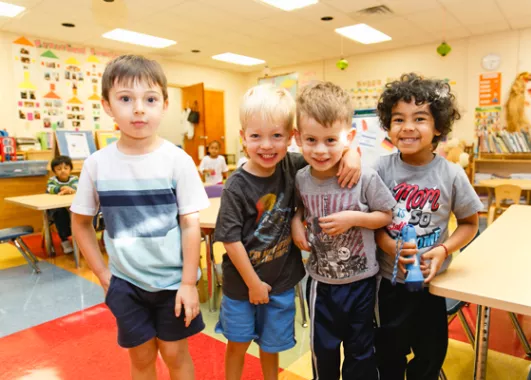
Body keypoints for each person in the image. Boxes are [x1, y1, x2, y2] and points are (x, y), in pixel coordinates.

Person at [71, 54, 209, 380]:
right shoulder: (97, 165)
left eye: (149, 99)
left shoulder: (178, 161)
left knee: (175, 354)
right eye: (125, 99)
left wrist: (188, 283)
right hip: (126, 283)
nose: (138, 109)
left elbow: (191, 224)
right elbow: (80, 222)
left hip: (174, 282)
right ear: (107, 105)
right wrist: (104, 274)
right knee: (142, 356)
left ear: (164, 104)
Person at [214, 83, 361, 380]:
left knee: (272, 346)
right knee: (238, 344)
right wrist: (253, 284)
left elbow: (329, 154)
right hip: (242, 285)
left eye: (276, 136)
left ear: (290, 138)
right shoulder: (236, 186)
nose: (266, 146)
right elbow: (230, 241)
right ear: (243, 138)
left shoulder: (293, 165)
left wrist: (352, 155)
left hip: (281, 283)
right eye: (256, 136)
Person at [373, 73, 483, 380]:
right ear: (389, 126)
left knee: (429, 357)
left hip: (433, 287)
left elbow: (469, 223)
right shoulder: (379, 169)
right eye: (398, 119)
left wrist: (443, 250)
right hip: (389, 284)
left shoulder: (451, 174)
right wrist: (388, 245)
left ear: (438, 127)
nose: (407, 127)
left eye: (419, 118)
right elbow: (372, 223)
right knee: (388, 356)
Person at [291, 81, 395, 380]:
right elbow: (299, 207)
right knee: (322, 352)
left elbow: (386, 215)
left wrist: (354, 218)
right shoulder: (300, 178)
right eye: (311, 140)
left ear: (348, 138)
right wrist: (297, 222)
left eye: (330, 140)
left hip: (361, 283)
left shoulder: (364, 176)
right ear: (298, 138)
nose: (320, 150)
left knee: (360, 352)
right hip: (321, 284)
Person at [46, 155, 78, 254]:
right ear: (54, 171)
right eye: (59, 169)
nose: (63, 171)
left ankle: (80, 238)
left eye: (66, 168)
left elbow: (77, 186)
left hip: (72, 207)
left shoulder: (74, 178)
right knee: (59, 213)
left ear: (70, 169)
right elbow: (49, 188)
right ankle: (64, 241)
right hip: (57, 208)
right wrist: (60, 189)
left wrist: (70, 189)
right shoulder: (52, 180)